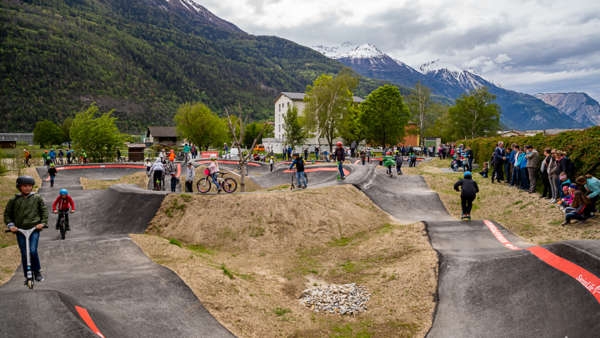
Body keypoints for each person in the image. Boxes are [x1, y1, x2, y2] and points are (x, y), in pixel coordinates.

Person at [4, 176, 48, 282]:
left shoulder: (37, 198)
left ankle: (37, 271)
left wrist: (42, 223)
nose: (27, 188)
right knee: (24, 253)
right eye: (24, 186)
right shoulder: (14, 200)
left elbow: (44, 211)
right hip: (20, 230)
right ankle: (27, 275)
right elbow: (7, 214)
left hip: (34, 229)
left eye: (29, 186)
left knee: (32, 251)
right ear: (19, 187)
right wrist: (11, 225)